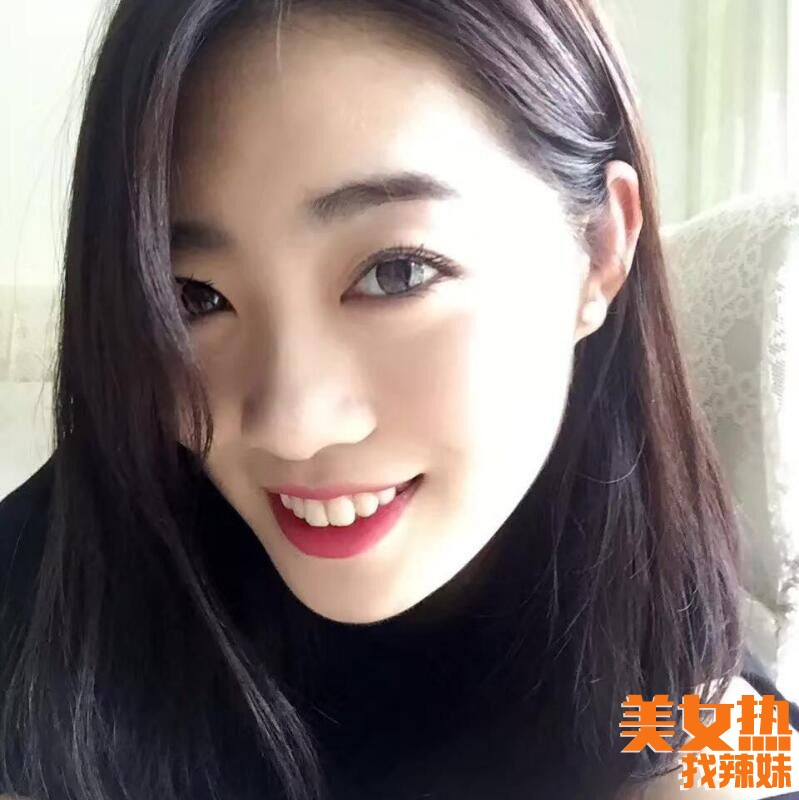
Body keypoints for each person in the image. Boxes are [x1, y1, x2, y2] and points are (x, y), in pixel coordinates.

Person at [1, 1, 797, 798]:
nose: (292, 425)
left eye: (396, 272)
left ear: (598, 248)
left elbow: (734, 728)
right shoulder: (69, 574)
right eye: (192, 297)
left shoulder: (672, 645)